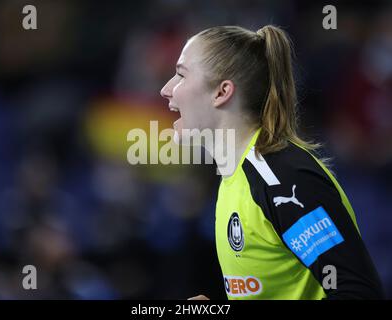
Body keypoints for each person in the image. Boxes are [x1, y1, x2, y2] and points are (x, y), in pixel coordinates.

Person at [160, 25, 384, 300]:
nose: (166, 89)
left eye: (181, 75)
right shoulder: (237, 175)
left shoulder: (282, 178)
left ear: (221, 92)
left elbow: (358, 293)